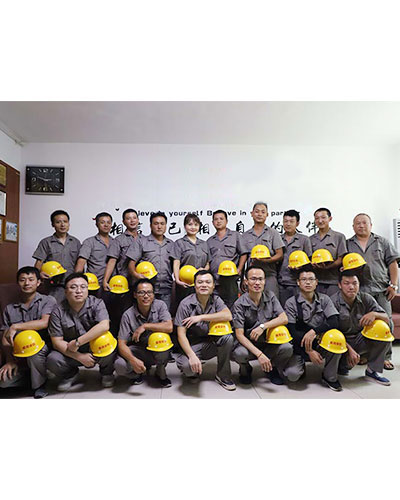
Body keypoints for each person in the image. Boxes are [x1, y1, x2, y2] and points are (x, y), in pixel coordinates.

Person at [347, 213, 399, 370]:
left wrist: (394, 285)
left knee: (386, 322)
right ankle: (365, 354)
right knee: (361, 323)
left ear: (371, 225)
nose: (361, 225)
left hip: (381, 289)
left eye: (364, 222)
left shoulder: (382, 242)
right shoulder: (348, 244)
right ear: (353, 226)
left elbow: (393, 263)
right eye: (357, 223)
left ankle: (385, 357)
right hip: (359, 291)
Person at [47, 272, 115, 391]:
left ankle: (107, 373)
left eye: (83, 287)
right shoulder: (57, 311)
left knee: (109, 342)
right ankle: (70, 375)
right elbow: (57, 342)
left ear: (87, 290)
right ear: (65, 291)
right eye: (73, 287)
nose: (79, 291)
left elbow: (104, 326)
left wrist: (78, 342)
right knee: (53, 358)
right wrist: (79, 356)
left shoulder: (97, 303)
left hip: (94, 348)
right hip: (71, 351)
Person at [232, 266, 299, 385]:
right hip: (249, 345)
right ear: (246, 281)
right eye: (253, 279)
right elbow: (239, 335)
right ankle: (245, 369)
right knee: (240, 354)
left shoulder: (270, 296)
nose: (257, 283)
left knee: (287, 348)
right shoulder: (239, 304)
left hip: (269, 342)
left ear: (264, 281)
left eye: (260, 279)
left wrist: (263, 326)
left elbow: (284, 318)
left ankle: (271, 368)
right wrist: (259, 355)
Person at [0, 266, 57, 398]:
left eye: (31, 279)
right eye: (22, 280)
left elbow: (44, 322)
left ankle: (39, 386)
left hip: (42, 347)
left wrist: (16, 326)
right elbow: (4, 335)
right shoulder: (9, 308)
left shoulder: (48, 300)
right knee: (4, 383)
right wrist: (10, 360)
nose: (27, 283)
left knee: (34, 351)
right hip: (18, 351)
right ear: (18, 283)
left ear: (38, 282)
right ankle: (32, 377)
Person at [174, 270, 236, 390]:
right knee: (188, 368)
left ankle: (223, 375)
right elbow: (181, 334)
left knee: (227, 338)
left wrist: (201, 317)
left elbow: (228, 315)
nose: (204, 285)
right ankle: (194, 369)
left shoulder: (216, 300)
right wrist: (192, 356)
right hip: (192, 346)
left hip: (211, 343)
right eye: (200, 282)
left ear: (213, 286)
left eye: (208, 282)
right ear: (194, 285)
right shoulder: (185, 304)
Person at [284, 269, 342, 391]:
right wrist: (309, 350)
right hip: (299, 344)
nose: (308, 282)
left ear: (316, 282)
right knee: (293, 375)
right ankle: (301, 365)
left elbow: (334, 321)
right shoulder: (291, 303)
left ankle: (329, 377)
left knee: (337, 337)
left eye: (311, 279)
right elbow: (292, 332)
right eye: (304, 279)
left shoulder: (325, 299)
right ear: (298, 282)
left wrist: (314, 332)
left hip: (320, 342)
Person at [331, 272, 391, 385]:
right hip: (341, 343)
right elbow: (331, 331)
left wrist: (374, 314)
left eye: (355, 283)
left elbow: (386, 318)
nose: (351, 287)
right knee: (343, 364)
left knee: (383, 330)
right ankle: (340, 366)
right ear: (339, 285)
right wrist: (349, 350)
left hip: (360, 339)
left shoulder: (365, 298)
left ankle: (372, 371)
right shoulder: (333, 302)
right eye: (346, 283)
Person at [115, 278, 174, 387]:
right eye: (141, 292)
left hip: (157, 349)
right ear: (135, 295)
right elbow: (121, 344)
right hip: (139, 350)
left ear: (153, 294)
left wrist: (145, 326)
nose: (146, 296)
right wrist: (133, 360)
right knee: (120, 365)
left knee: (163, 340)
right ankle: (136, 374)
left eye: (149, 292)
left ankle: (160, 371)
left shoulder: (160, 305)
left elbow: (169, 327)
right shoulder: (128, 315)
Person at [127, 212, 174, 310]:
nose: (159, 227)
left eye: (162, 224)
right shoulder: (141, 241)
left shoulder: (171, 244)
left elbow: (176, 266)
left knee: (164, 316)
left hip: (166, 288)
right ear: (150, 225)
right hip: (145, 289)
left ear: (166, 226)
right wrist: (136, 276)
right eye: (156, 223)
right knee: (144, 315)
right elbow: (131, 263)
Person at [33, 209, 81, 303]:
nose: (62, 225)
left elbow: (80, 263)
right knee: (54, 308)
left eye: (65, 222)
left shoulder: (76, 242)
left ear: (69, 224)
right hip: (54, 286)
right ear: (53, 224)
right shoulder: (46, 242)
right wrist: (39, 274)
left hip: (73, 285)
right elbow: (39, 262)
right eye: (58, 222)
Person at [240, 202, 284, 298]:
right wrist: (243, 278)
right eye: (257, 211)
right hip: (251, 277)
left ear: (267, 215)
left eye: (263, 212)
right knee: (252, 303)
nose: (259, 214)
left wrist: (267, 260)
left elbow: (280, 254)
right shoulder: (245, 235)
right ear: (252, 214)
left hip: (269, 275)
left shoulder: (273, 233)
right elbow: (243, 258)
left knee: (272, 301)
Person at [207, 209, 245, 309]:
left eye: (221, 219)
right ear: (212, 222)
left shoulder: (235, 236)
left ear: (226, 221)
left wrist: (239, 269)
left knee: (232, 307)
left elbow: (243, 254)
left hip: (230, 280)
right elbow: (208, 261)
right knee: (216, 308)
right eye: (216, 219)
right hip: (215, 281)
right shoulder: (209, 241)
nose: (218, 221)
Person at [171, 213, 210, 308]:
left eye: (196, 225)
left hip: (201, 283)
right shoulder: (179, 243)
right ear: (185, 226)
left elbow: (208, 263)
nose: (193, 227)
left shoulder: (204, 244)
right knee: (184, 308)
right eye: (190, 224)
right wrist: (177, 280)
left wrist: (204, 269)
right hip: (185, 283)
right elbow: (176, 262)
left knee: (201, 308)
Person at [310, 207, 347, 297]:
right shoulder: (310, 239)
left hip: (333, 282)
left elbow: (341, 259)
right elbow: (309, 258)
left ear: (330, 219)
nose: (320, 221)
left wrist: (328, 267)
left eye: (323, 217)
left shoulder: (339, 237)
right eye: (317, 218)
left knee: (333, 304)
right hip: (316, 282)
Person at [278, 209, 312, 306]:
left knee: (299, 308)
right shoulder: (277, 238)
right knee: (283, 309)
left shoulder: (304, 240)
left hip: (298, 283)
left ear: (297, 223)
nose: (288, 224)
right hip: (281, 283)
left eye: (291, 221)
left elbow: (309, 261)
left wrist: (301, 268)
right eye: (285, 221)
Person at [103, 208, 142, 288]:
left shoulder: (144, 239)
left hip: (141, 281)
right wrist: (105, 280)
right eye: (128, 218)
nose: (132, 221)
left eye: (134, 218)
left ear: (138, 220)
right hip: (124, 281)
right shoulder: (119, 240)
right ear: (123, 222)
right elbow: (112, 261)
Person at [75, 212, 114, 290]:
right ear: (96, 224)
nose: (106, 225)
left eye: (108, 222)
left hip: (113, 284)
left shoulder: (115, 242)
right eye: (102, 222)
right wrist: (77, 282)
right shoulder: (89, 242)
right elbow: (81, 262)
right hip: (94, 284)